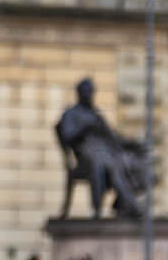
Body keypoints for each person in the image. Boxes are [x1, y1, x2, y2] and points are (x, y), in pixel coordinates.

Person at [55, 78, 144, 218]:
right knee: (102, 163)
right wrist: (85, 127)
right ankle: (100, 210)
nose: (88, 94)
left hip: (106, 153)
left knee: (131, 163)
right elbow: (67, 135)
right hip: (85, 155)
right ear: (79, 93)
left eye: (90, 92)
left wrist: (131, 144)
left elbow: (112, 136)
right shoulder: (71, 114)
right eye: (86, 91)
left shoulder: (95, 114)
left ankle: (124, 204)